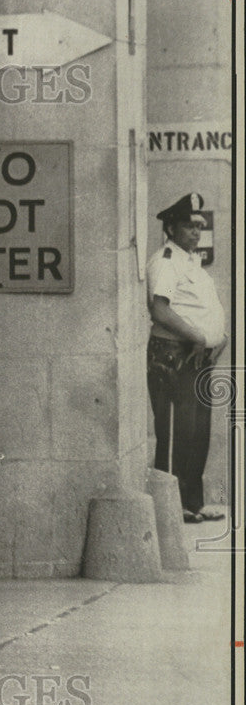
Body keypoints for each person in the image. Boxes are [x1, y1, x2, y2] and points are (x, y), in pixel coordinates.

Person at [145, 191, 227, 523]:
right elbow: (160, 309)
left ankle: (193, 502)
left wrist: (216, 339)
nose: (195, 232)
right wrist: (197, 336)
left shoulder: (192, 262)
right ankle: (171, 505)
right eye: (188, 226)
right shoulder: (166, 259)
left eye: (198, 226)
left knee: (197, 430)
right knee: (175, 430)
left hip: (198, 357)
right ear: (171, 229)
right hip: (173, 356)